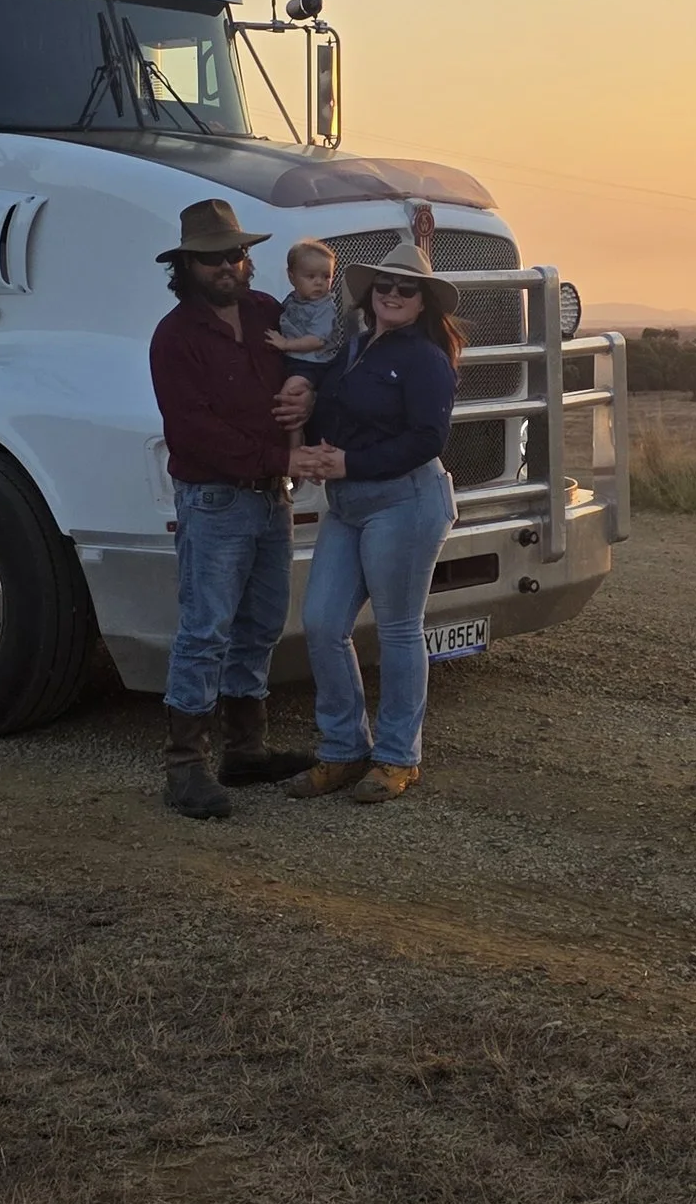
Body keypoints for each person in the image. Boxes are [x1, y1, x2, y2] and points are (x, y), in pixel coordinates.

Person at [146, 196, 316, 818]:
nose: (228, 265)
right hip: (215, 500)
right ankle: (184, 768)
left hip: (270, 499)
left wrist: (306, 399)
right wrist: (282, 461)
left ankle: (246, 751)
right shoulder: (174, 338)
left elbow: (308, 368)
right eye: (213, 257)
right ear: (187, 265)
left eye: (236, 254)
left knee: (261, 625)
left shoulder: (269, 313)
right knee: (205, 630)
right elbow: (194, 433)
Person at [285, 235, 463, 804]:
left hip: (404, 502)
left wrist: (349, 461)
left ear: (423, 301)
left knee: (398, 628)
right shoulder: (355, 348)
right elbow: (334, 410)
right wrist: (311, 437)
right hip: (349, 503)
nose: (391, 292)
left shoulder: (426, 359)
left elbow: (428, 438)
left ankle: (396, 757)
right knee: (321, 622)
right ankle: (343, 750)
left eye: (405, 287)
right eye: (383, 284)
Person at [274, 236, 343, 371]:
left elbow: (316, 340)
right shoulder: (292, 300)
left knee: (292, 387)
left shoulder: (325, 307)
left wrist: (286, 344)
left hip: (312, 363)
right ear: (291, 277)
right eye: (311, 276)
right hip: (292, 356)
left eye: (326, 276)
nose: (319, 282)